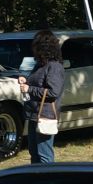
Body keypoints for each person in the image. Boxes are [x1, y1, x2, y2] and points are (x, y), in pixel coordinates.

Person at [21, 30, 65, 164]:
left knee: (44, 155)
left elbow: (53, 92)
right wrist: (25, 80)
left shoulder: (54, 67)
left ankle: (48, 177)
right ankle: (36, 176)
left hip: (45, 115)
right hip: (34, 114)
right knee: (34, 152)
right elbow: (37, 82)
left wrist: (29, 89)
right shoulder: (40, 65)